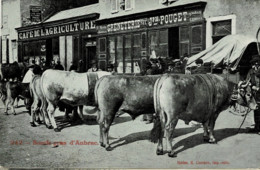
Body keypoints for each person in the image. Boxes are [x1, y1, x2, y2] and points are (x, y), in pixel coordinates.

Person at [246, 55, 260, 135]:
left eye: (257, 63)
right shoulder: (251, 71)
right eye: (254, 63)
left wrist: (258, 88)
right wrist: (250, 88)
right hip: (254, 94)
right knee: (256, 110)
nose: (255, 64)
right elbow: (247, 81)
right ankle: (256, 127)